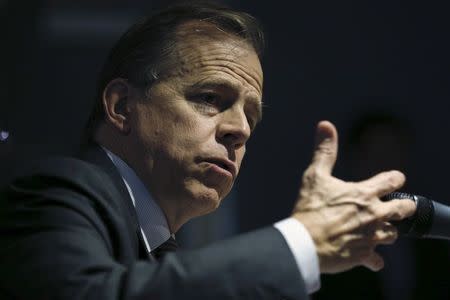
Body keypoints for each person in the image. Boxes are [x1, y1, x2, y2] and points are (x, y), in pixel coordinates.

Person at [0, 2, 416, 299]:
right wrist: (299, 243)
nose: (239, 130)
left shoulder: (157, 249)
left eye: (251, 117)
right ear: (123, 107)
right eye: (210, 97)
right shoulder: (55, 190)